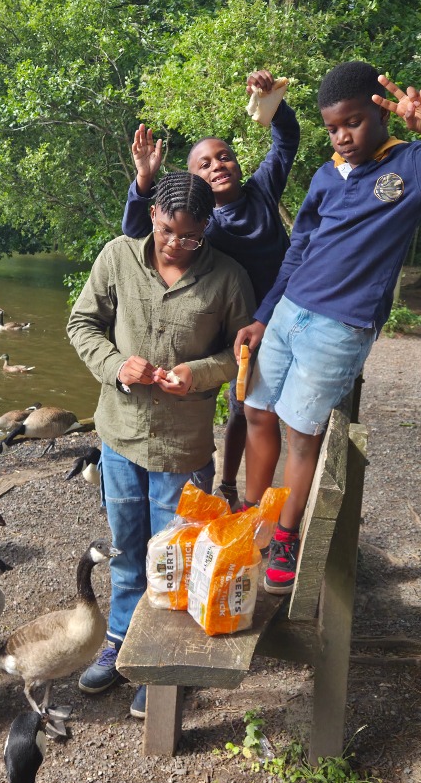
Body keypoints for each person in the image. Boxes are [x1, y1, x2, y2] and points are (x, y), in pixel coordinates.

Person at [235, 61, 421, 594]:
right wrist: (263, 314)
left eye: (354, 122)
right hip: (288, 314)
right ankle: (250, 515)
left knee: (301, 434)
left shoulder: (412, 165)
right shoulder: (325, 175)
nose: (343, 137)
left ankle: (285, 537)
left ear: (380, 112)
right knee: (256, 412)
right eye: (333, 127)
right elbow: (299, 249)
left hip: (340, 327)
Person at [67, 171, 255, 719]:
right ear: (152, 215)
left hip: (184, 447)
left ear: (206, 230)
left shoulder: (228, 277)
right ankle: (121, 642)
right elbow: (82, 324)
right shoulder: (117, 257)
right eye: (171, 231)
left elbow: (243, 352)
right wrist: (115, 366)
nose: (179, 245)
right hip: (119, 437)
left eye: (192, 237)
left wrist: (196, 374)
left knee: (177, 561)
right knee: (127, 551)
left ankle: (165, 665)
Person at [122, 70, 300, 509]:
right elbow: (134, 230)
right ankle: (214, 480)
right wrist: (144, 181)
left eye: (224, 157)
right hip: (223, 323)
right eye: (204, 164)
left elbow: (287, 140)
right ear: (193, 181)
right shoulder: (203, 225)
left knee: (254, 409)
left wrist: (271, 103)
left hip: (273, 320)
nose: (218, 165)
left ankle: (239, 489)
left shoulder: (261, 191)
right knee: (217, 398)